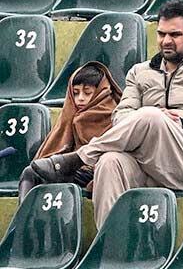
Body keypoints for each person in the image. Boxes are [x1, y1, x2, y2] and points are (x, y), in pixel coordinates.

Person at [30, 0, 183, 226]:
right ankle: (111, 249)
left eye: (175, 35)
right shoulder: (140, 72)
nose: (166, 41)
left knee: (151, 116)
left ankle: (79, 159)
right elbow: (122, 115)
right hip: (146, 162)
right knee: (109, 162)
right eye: (161, 34)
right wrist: (147, 121)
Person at [18, 62, 121, 201]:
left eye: (87, 92)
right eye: (76, 93)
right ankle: (22, 219)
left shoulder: (116, 115)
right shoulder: (70, 113)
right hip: (70, 169)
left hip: (98, 170)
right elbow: (59, 146)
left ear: (101, 91)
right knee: (30, 173)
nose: (80, 98)